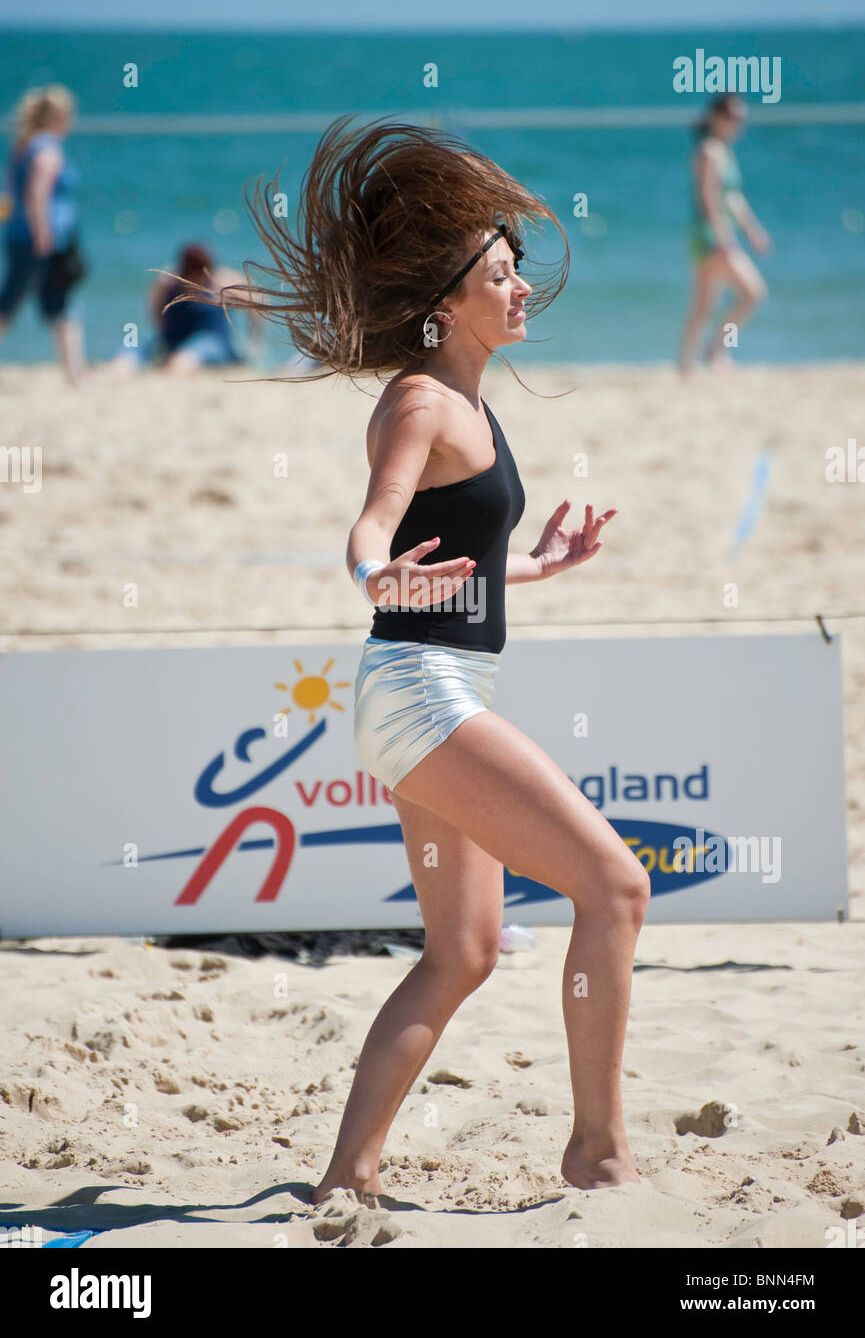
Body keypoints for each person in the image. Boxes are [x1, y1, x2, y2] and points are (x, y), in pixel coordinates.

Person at [180, 115, 650, 1199]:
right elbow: (373, 526)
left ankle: (346, 1178)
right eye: (500, 272)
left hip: (438, 684)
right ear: (449, 301)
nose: (522, 284)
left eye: (519, 267)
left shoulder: (473, 401)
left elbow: (461, 568)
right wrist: (373, 573)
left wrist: (541, 565)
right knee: (616, 888)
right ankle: (599, 1152)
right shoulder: (419, 399)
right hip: (418, 690)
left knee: (464, 950)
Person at [0, 84, 87, 386]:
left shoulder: (24, 144)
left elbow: (12, 190)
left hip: (19, 234)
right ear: (59, 116)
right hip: (43, 239)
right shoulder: (48, 148)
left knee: (35, 301)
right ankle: (74, 374)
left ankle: (75, 374)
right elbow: (37, 194)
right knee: (49, 303)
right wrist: (43, 235)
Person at [679, 93, 771, 372]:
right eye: (732, 117)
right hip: (711, 235)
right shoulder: (709, 151)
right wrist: (724, 237)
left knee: (704, 304)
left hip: (714, 234)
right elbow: (707, 199)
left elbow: (733, 199)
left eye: (740, 118)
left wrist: (752, 230)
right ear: (716, 118)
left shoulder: (723, 151)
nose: (737, 123)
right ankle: (714, 351)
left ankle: (686, 363)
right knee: (752, 293)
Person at [101, 242, 261, 377]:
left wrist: (254, 342)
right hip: (173, 340)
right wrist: (163, 330)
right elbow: (155, 307)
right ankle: (116, 371)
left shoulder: (220, 281)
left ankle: (173, 368)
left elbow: (257, 302)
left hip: (211, 342)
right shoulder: (168, 281)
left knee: (187, 357)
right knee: (131, 348)